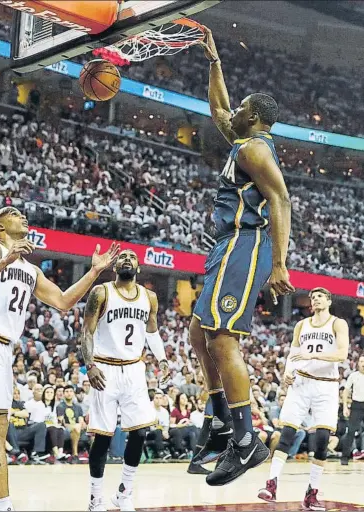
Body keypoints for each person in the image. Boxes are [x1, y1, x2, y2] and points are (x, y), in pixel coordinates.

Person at [0, 206, 119, 512]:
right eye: (13, 213)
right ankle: (4, 507)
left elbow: (63, 301)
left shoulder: (31, 270)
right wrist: (6, 260)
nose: (22, 215)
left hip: (1, 349)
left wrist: (93, 272)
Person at [189, 26, 295, 487]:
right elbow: (217, 108)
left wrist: (279, 264)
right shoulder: (242, 142)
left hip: (246, 243)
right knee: (199, 330)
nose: (235, 110)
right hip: (226, 244)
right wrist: (214, 62)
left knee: (222, 339)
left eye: (242, 108)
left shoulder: (254, 149)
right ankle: (218, 422)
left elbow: (282, 200)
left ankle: (245, 439)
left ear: (254, 117)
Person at [80, 249, 170, 511]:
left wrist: (162, 359)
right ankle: (95, 497)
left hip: (134, 370)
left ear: (138, 268)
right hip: (104, 369)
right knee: (103, 437)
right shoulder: (101, 292)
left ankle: (124, 492)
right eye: (123, 257)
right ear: (115, 266)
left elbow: (152, 332)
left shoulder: (149, 297)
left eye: (132, 257)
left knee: (140, 431)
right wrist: (90, 365)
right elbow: (87, 330)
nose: (127, 259)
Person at [258, 287, 349, 510]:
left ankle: (312, 492)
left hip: (326, 386)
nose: (315, 299)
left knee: (322, 441)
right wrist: (287, 376)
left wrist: (313, 355)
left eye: (320, 296)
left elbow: (342, 354)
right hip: (301, 384)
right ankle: (271, 484)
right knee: (286, 434)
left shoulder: (338, 323)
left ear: (328, 300)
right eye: (312, 297)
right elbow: (293, 354)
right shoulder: (302, 325)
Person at [341, 354, 364, 465]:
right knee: (350, 432)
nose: (363, 364)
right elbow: (346, 391)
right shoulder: (353, 376)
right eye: (361, 361)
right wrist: (345, 406)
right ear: (358, 363)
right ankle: (345, 457)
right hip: (357, 405)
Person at [56, 385, 86, 463]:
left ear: (74, 394)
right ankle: (75, 454)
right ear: (63, 394)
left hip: (78, 428)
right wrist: (76, 426)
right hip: (66, 430)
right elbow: (63, 423)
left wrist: (82, 424)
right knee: (76, 428)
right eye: (67, 392)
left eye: (71, 391)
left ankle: (94, 455)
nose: (69, 393)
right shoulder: (60, 406)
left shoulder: (78, 407)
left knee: (93, 431)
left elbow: (81, 420)